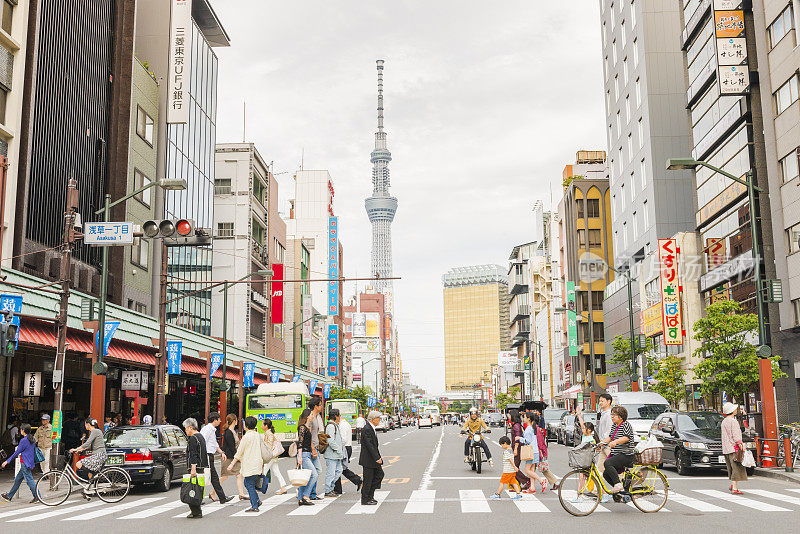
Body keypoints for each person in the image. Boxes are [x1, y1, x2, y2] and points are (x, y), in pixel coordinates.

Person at [226, 416, 263, 513]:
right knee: (248, 483)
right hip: (257, 462)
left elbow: (239, 452)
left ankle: (255, 505)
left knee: (249, 484)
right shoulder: (257, 435)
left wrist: (232, 464)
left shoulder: (246, 437)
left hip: (250, 463)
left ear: (246, 425)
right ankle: (257, 500)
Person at [597, 406, 635, 500]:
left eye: (614, 415)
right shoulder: (614, 426)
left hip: (626, 455)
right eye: (611, 415)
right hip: (617, 454)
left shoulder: (626, 425)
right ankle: (621, 491)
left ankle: (618, 485)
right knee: (606, 473)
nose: (612, 417)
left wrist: (616, 442)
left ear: (621, 417)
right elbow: (610, 437)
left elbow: (626, 437)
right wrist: (601, 443)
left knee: (607, 462)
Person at [1, 424, 39, 503]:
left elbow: (17, 452)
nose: (20, 431)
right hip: (29, 462)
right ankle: (9, 496)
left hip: (24, 462)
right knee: (18, 480)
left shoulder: (23, 440)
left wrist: (7, 461)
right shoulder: (32, 438)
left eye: (21, 429)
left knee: (30, 480)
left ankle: (37, 496)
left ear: (23, 431)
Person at [199, 412, 231, 504]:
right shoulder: (208, 429)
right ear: (215, 420)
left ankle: (222, 497)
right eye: (219, 419)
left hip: (209, 455)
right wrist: (204, 455)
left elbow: (213, 443)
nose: (220, 421)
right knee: (207, 476)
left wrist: (221, 452)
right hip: (207, 455)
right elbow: (202, 441)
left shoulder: (211, 429)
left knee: (213, 477)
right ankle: (220, 497)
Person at [517, 412, 548, 493]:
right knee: (532, 470)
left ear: (528, 419)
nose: (523, 419)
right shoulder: (532, 428)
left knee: (527, 470)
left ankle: (542, 481)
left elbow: (527, 441)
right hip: (535, 451)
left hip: (531, 452)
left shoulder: (528, 429)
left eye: (524, 417)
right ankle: (532, 488)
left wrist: (519, 438)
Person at [183, 418, 207, 519]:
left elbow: (193, 454)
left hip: (195, 467)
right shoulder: (200, 436)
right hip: (201, 466)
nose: (185, 431)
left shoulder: (193, 438)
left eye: (186, 428)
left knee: (191, 489)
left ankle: (196, 511)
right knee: (198, 488)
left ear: (190, 427)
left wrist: (193, 468)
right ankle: (197, 511)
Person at [70, 418, 107, 485]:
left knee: (79, 464)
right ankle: (90, 485)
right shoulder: (97, 431)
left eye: (85, 424)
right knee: (89, 471)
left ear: (88, 424)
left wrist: (76, 449)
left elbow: (87, 443)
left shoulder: (95, 431)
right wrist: (79, 449)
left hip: (99, 455)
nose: (84, 426)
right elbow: (88, 445)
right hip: (100, 455)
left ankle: (92, 479)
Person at [359, 410, 384, 505]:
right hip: (368, 459)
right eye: (378, 418)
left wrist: (378, 457)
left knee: (379, 475)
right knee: (368, 479)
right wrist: (377, 458)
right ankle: (365, 499)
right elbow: (370, 446)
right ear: (373, 419)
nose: (379, 420)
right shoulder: (367, 429)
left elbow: (374, 445)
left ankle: (370, 496)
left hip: (373, 459)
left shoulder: (371, 428)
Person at [333, 413, 362, 495]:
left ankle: (338, 489)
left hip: (344, 448)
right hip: (347, 447)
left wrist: (337, 446)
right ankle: (356, 481)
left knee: (339, 468)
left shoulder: (342, 426)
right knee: (341, 468)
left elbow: (343, 439)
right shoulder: (346, 424)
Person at [721, 402, 747, 494]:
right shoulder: (733, 421)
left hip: (726, 448)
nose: (736, 410)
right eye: (735, 409)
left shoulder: (724, 421)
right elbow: (736, 436)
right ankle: (734, 488)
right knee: (736, 467)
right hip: (734, 447)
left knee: (731, 467)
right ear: (732, 411)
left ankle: (733, 484)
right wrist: (741, 446)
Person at [261, 419, 291, 495]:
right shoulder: (268, 433)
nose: (261, 426)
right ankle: (283, 487)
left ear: (266, 426)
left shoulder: (269, 434)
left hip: (271, 456)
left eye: (262, 424)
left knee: (263, 471)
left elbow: (269, 445)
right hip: (273, 456)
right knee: (276, 471)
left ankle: (257, 488)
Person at [220, 414, 246, 500]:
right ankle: (212, 492)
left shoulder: (232, 431)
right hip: (229, 458)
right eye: (236, 420)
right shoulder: (229, 432)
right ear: (234, 421)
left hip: (232, 457)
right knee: (224, 476)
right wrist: (238, 457)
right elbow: (232, 447)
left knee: (238, 474)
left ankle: (241, 493)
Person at [295, 408, 318, 506]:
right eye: (312, 415)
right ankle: (306, 495)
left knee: (305, 478)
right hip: (304, 454)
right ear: (308, 416)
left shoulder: (306, 427)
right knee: (314, 475)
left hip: (307, 454)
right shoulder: (302, 428)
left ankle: (300, 498)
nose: (313, 417)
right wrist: (299, 456)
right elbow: (300, 443)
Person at [489, 436, 522, 500]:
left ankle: (498, 494)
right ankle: (518, 494)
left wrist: (514, 466)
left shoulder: (506, 451)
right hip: (511, 471)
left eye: (502, 445)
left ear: (505, 443)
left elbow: (510, 460)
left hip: (507, 471)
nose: (502, 447)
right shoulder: (511, 450)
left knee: (502, 482)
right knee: (513, 482)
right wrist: (514, 467)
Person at [306, 396, 325, 500]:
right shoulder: (311, 417)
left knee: (314, 471)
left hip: (315, 447)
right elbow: (308, 434)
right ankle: (308, 492)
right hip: (311, 448)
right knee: (316, 471)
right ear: (315, 406)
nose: (321, 406)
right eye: (320, 404)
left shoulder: (317, 416)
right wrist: (313, 448)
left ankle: (312, 493)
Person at [323, 409, 345, 497]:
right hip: (332, 454)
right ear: (336, 416)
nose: (340, 417)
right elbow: (330, 441)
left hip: (336, 455)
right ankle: (328, 490)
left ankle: (331, 487)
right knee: (331, 473)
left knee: (339, 470)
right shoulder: (331, 426)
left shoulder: (334, 425)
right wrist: (339, 450)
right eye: (339, 415)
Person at [508, 409, 529, 490]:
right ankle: (517, 485)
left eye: (509, 415)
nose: (508, 417)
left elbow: (518, 438)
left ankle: (526, 481)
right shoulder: (517, 425)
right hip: (516, 448)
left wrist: (516, 449)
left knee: (514, 467)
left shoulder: (516, 426)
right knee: (515, 466)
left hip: (518, 448)